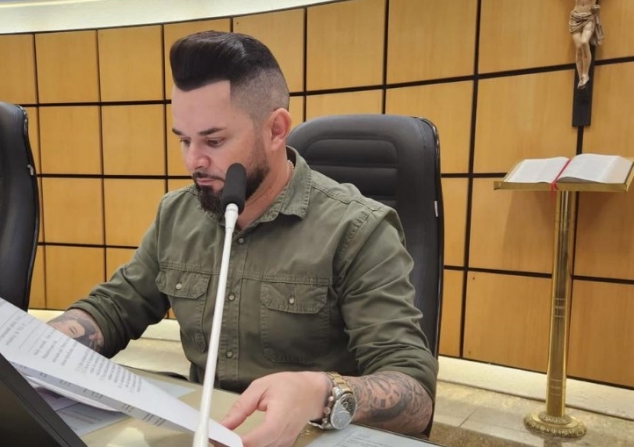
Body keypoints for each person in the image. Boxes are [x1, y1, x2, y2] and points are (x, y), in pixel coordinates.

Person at [48, 31, 437, 447]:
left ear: (276, 130)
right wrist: (41, 346)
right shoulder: (177, 214)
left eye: (214, 141)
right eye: (184, 140)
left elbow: (415, 394)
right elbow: (113, 308)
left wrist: (320, 393)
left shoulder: (358, 229)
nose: (193, 161)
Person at [556, 0, 611, 89]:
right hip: (575, 18)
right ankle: (581, 77)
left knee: (584, 42)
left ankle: (585, 74)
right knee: (578, 48)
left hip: (588, 18)